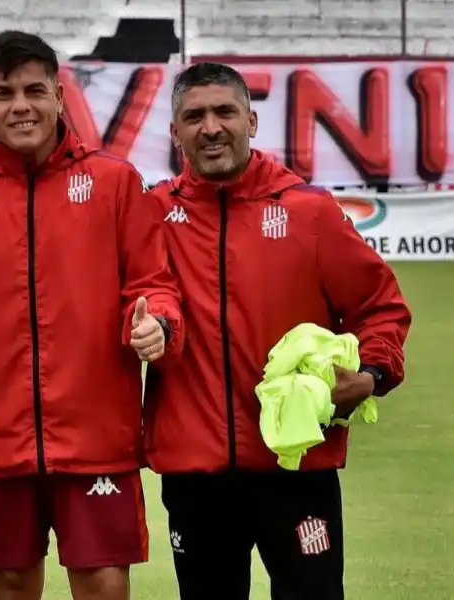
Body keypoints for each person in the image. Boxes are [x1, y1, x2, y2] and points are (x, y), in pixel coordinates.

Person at [0, 30, 185, 600]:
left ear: (60, 95)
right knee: (10, 583)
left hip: (96, 434)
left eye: (34, 90)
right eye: (4, 93)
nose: (21, 106)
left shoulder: (115, 183)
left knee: (104, 584)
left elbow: (154, 284)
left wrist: (157, 324)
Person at [147, 62, 413, 600]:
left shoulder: (309, 212)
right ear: (175, 132)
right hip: (195, 474)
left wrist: (371, 374)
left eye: (225, 112)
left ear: (251, 121)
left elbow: (380, 307)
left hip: (297, 465)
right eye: (194, 117)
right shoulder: (152, 214)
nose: (211, 128)